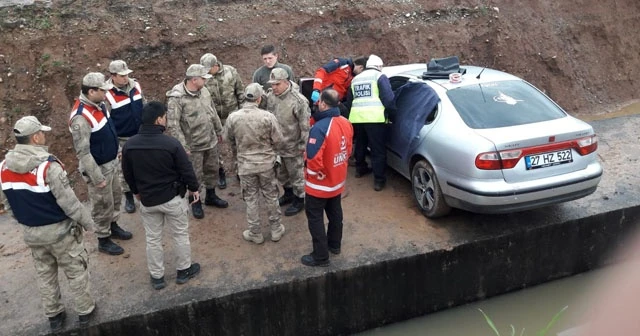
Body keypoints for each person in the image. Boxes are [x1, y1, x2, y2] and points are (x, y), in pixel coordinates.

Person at [0, 116, 96, 331]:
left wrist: (28, 222)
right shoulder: (48, 167)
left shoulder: (3, 168)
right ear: (35, 137)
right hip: (60, 232)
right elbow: (69, 203)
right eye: (41, 132)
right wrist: (89, 224)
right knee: (75, 270)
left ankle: (54, 316)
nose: (44, 135)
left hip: (32, 233)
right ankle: (85, 312)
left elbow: (8, 204)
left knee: (45, 274)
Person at [122, 101, 201, 289]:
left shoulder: (130, 146)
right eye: (164, 117)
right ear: (159, 120)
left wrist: (136, 192)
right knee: (180, 235)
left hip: (148, 201)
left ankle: (157, 277)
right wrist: (194, 188)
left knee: (153, 239)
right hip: (173, 198)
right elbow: (186, 168)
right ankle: (183, 271)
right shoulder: (171, 143)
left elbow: (128, 173)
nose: (166, 120)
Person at [69, 72, 132, 256]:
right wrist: (97, 177)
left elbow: (109, 131)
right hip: (99, 168)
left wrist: (117, 151)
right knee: (102, 204)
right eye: (102, 90)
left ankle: (113, 227)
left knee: (114, 197)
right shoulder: (80, 118)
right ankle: (103, 239)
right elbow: (83, 152)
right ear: (91, 92)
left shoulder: (99, 105)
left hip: (110, 162)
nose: (106, 93)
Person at [224, 83, 285, 244]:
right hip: (266, 165)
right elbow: (278, 140)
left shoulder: (233, 117)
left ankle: (255, 232)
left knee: (251, 199)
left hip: (245, 166)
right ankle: (276, 229)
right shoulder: (268, 116)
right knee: (271, 196)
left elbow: (227, 138)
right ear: (259, 99)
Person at [166, 64, 229, 219]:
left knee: (212, 170)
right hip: (193, 146)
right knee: (194, 176)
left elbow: (212, 111)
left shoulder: (204, 91)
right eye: (203, 78)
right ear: (194, 80)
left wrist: (219, 130)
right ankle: (195, 202)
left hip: (210, 140)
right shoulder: (177, 98)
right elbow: (173, 125)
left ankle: (211, 196)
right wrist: (182, 146)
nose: (206, 81)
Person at [301, 89, 353, 267]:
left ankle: (320, 256)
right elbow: (348, 150)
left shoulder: (319, 127)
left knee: (315, 217)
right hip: (337, 180)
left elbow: (313, 157)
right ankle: (334, 245)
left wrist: (315, 174)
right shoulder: (346, 122)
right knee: (335, 213)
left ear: (323, 103)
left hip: (319, 184)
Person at [264, 68, 311, 216]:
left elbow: (305, 126)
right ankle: (288, 193)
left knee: (296, 175)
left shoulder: (298, 101)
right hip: (277, 146)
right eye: (272, 84)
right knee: (282, 174)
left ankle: (300, 199)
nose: (274, 87)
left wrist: (303, 146)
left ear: (285, 82)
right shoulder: (271, 97)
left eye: (277, 84)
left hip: (293, 147)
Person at [346, 54, 395, 191]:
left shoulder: (355, 80)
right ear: (379, 66)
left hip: (357, 118)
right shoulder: (379, 77)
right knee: (377, 150)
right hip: (375, 119)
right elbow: (389, 99)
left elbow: (349, 101)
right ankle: (379, 180)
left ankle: (360, 168)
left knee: (361, 144)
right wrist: (392, 115)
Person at [104, 60, 145, 214]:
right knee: (124, 169)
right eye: (121, 76)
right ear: (113, 76)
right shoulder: (107, 94)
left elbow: (143, 105)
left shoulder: (135, 85)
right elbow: (106, 121)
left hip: (140, 134)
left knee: (144, 165)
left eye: (127, 74)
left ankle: (144, 191)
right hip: (122, 138)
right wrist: (115, 144)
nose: (125, 78)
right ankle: (128, 197)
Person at [200, 53, 245, 190]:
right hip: (213, 118)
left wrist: (242, 112)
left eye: (208, 69)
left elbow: (240, 92)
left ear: (216, 65)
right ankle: (220, 172)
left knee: (237, 145)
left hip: (232, 115)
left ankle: (240, 171)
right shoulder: (204, 78)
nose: (206, 72)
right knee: (214, 148)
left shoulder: (231, 72)